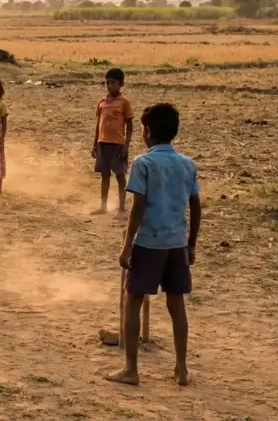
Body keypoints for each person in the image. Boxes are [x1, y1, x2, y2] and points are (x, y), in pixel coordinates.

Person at [107, 103, 200, 387]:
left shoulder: (143, 163)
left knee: (133, 299)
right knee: (176, 304)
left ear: (146, 131)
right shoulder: (187, 164)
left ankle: (131, 369)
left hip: (148, 243)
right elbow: (195, 206)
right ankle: (182, 369)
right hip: (177, 243)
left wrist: (126, 247)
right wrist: (192, 244)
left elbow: (138, 208)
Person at [92, 68, 134, 219]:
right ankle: (103, 206)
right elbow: (99, 124)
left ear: (121, 84)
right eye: (107, 83)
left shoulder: (124, 103)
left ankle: (121, 208)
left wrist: (126, 146)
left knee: (120, 176)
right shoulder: (102, 102)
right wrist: (94, 144)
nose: (110, 85)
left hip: (117, 144)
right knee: (104, 175)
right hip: (103, 142)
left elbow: (130, 126)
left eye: (113, 82)